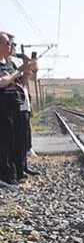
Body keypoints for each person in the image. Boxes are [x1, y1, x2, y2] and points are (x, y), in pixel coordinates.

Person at [0, 32, 36, 187]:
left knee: (14, 140)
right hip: (2, 107)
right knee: (5, 142)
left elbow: (20, 82)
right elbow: (2, 82)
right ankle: (5, 176)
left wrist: (28, 71)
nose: (11, 47)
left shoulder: (9, 64)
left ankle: (15, 173)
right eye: (7, 43)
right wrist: (19, 70)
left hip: (14, 107)